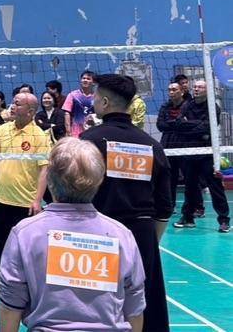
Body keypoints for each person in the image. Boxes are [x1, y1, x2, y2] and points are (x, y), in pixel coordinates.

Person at [0, 137, 146, 332]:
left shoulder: (25, 233)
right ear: (100, 180)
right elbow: (134, 307)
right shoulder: (121, 235)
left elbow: (11, 304)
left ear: (49, 179)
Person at [81, 73, 171, 332]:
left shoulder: (89, 141)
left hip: (96, 233)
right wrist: (148, 240)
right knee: (143, 304)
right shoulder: (152, 145)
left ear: (105, 102)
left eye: (96, 97)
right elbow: (164, 207)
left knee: (94, 303)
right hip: (141, 233)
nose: (94, 101)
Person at [0, 92, 51, 303]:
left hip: (26, 204)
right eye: (13, 103)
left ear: (30, 111)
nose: (12, 106)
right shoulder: (4, 129)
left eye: (17, 104)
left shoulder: (39, 136)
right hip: (1, 200)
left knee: (27, 249)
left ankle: (29, 288)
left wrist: (37, 200)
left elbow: (44, 169)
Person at [172, 79, 230, 233]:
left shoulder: (213, 107)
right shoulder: (187, 105)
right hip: (190, 151)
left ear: (207, 90)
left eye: (200, 87)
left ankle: (224, 220)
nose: (196, 89)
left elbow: (208, 127)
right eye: (195, 87)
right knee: (190, 187)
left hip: (207, 153)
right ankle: (188, 218)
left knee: (215, 187)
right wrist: (196, 126)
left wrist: (189, 125)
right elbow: (179, 125)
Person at [155, 80, 186, 206]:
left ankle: (195, 207)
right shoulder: (165, 106)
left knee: (190, 178)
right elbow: (160, 125)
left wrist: (172, 123)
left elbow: (188, 126)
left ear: (182, 92)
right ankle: (170, 205)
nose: (171, 92)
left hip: (185, 146)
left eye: (174, 90)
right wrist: (177, 123)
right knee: (170, 177)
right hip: (168, 146)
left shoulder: (188, 106)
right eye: (169, 90)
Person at [63, 70, 98, 138]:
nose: (85, 80)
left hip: (93, 131)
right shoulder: (72, 95)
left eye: (88, 79)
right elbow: (67, 113)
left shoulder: (97, 97)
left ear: (93, 82)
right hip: (76, 132)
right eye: (83, 78)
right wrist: (68, 131)